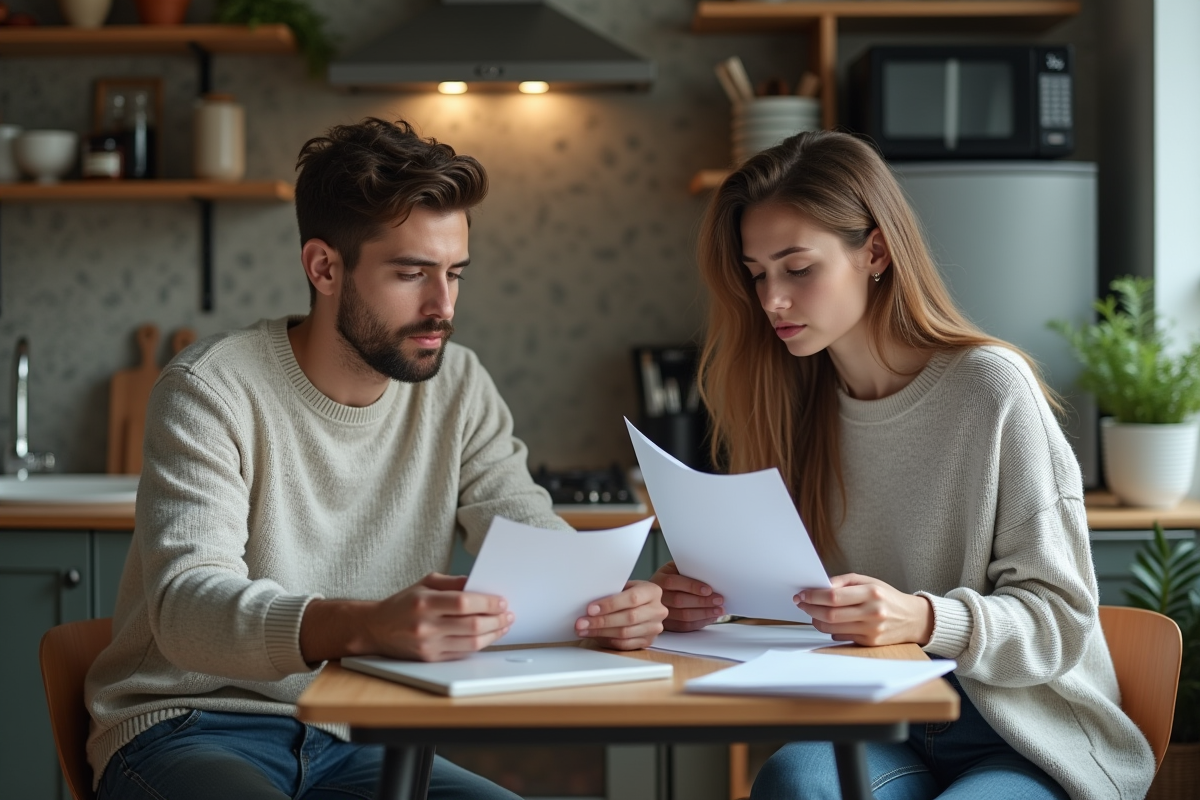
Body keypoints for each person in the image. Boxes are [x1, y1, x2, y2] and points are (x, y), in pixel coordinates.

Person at [84, 117, 668, 800]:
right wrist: (364, 625)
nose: (442, 306)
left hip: (362, 734)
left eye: (454, 273)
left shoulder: (459, 386)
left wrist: (607, 601)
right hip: (191, 725)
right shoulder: (210, 389)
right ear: (324, 267)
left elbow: (525, 528)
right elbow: (187, 608)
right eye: (411, 273)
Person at [650, 130, 1155, 800]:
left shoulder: (990, 389)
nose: (772, 299)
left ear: (875, 252)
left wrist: (923, 619)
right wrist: (707, 602)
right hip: (877, 720)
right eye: (758, 273)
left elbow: (1061, 619)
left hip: (1023, 732)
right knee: (794, 784)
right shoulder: (788, 404)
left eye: (797, 269)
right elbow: (790, 606)